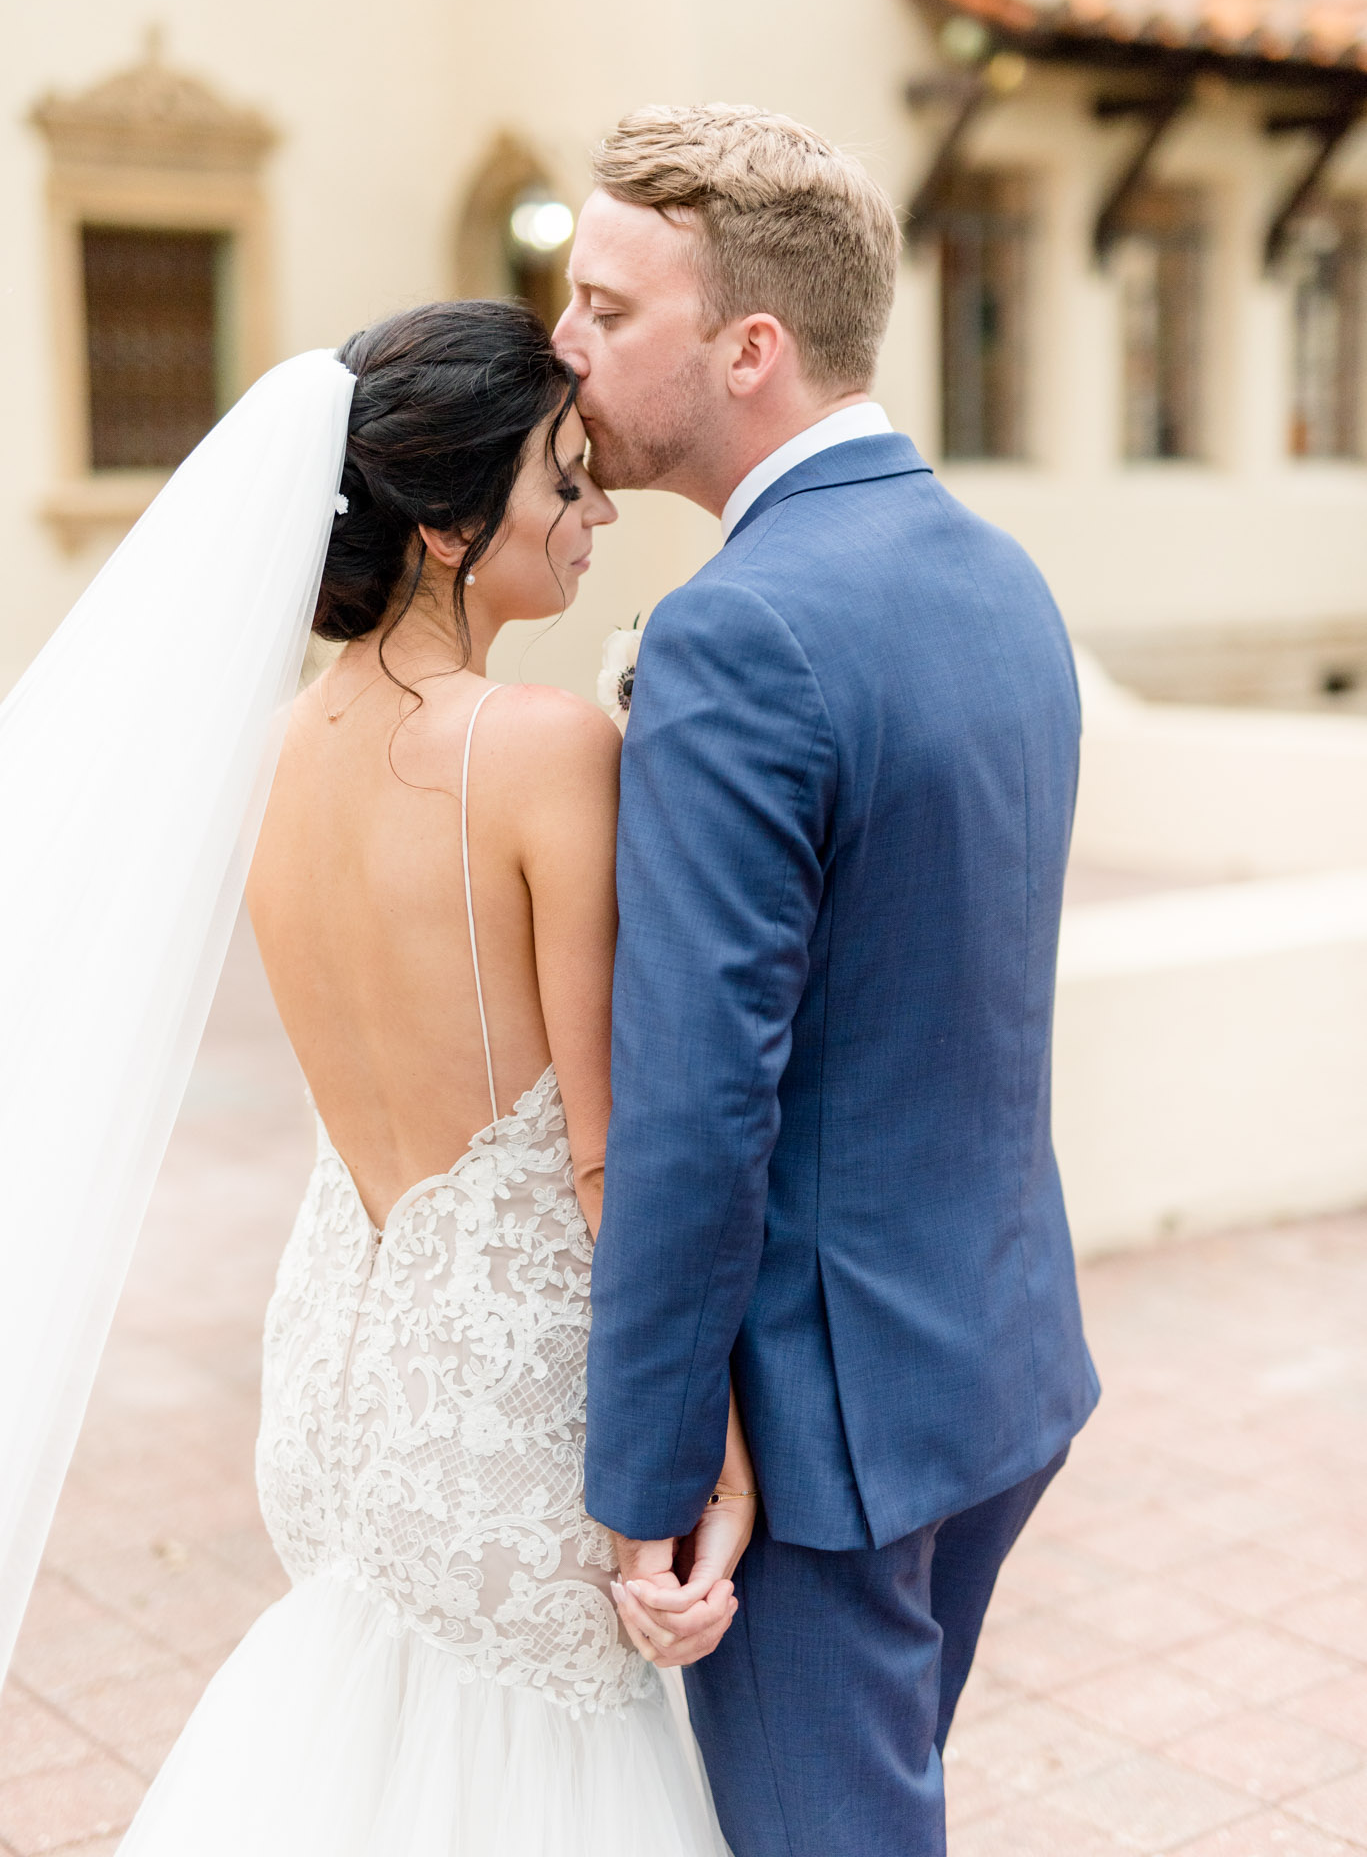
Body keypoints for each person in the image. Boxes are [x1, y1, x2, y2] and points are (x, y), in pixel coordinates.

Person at [110, 302, 739, 1855]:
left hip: (341, 1375)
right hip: (508, 1412)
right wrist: (707, 1447)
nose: (597, 517)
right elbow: (608, 1159)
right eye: (564, 479)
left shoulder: (262, 752)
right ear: (454, 529)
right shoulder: (538, 748)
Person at [554, 105, 1100, 1857]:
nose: (563, 344)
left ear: (750, 348)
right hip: (997, 1372)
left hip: (824, 1444)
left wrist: (648, 1482)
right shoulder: (997, 575)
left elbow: (702, 1096)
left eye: (605, 309)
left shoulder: (739, 631)